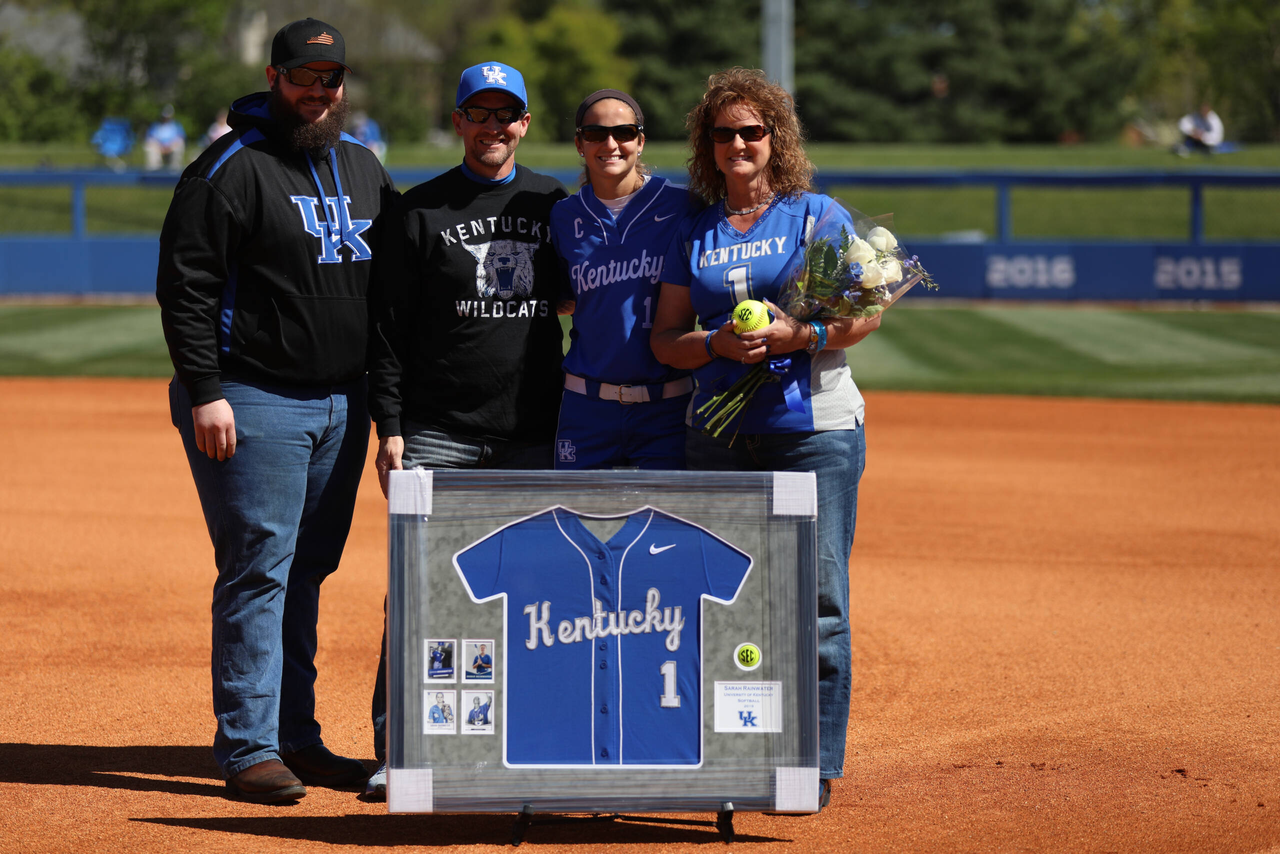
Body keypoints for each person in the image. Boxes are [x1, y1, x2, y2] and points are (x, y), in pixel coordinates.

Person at [156, 17, 397, 804]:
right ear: (274, 79)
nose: (319, 93)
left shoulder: (362, 167)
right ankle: (249, 747)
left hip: (341, 403)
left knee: (307, 572)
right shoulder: (230, 168)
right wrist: (206, 390)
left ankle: (297, 738)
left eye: (331, 81)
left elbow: (398, 283)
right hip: (251, 398)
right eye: (305, 79)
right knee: (260, 567)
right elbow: (186, 287)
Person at [649, 67, 882, 811]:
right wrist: (714, 345)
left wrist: (804, 332)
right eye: (725, 134)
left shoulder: (816, 215)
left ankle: (810, 764)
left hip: (810, 429)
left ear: (776, 139)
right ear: (708, 147)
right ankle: (730, 749)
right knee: (718, 596)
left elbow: (868, 312)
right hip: (718, 433)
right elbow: (665, 340)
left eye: (753, 131)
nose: (739, 144)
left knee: (816, 601)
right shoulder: (696, 229)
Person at [363, 60, 567, 799]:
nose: (493, 127)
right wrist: (390, 427)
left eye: (505, 115)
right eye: (478, 114)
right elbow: (384, 333)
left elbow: (590, 297)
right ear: (459, 122)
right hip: (438, 429)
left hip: (533, 430)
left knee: (534, 594)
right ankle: (399, 747)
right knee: (419, 592)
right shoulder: (418, 212)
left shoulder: (554, 204)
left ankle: (526, 739)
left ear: (525, 125)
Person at [550, 89, 702, 470]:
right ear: (579, 144)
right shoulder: (564, 217)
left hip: (666, 408)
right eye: (596, 134)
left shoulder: (683, 206)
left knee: (665, 527)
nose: (611, 144)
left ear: (640, 141)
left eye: (624, 132)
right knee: (575, 525)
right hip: (586, 407)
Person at [144, 104, 186, 170]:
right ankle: (153, 171)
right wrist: (161, 147)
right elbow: (151, 138)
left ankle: (174, 170)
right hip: (159, 148)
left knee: (179, 145)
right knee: (149, 145)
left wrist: (170, 147)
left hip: (171, 147)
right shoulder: (156, 125)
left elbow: (180, 138)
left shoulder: (176, 126)